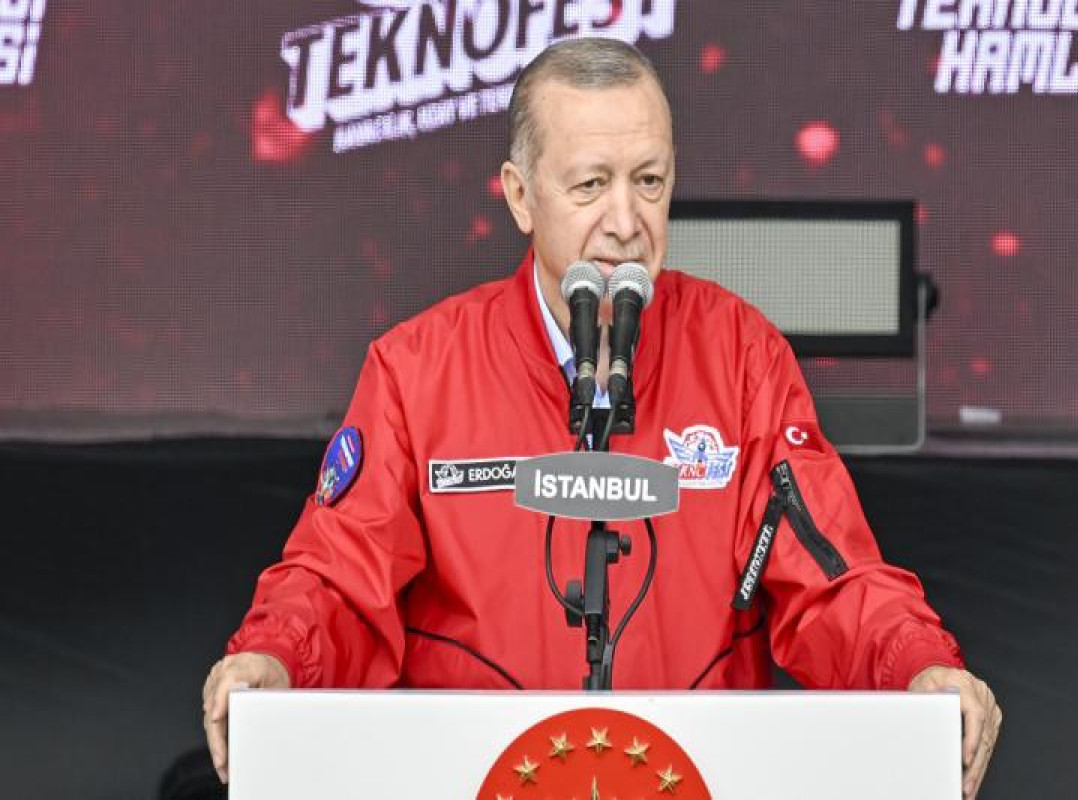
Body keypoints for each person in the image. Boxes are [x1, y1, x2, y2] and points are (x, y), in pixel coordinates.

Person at [203, 37, 1001, 798]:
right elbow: (341, 581)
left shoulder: (741, 356)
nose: (625, 220)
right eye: (590, 186)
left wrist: (917, 667)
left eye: (649, 181)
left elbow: (832, 577)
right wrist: (274, 658)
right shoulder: (417, 371)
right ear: (521, 196)